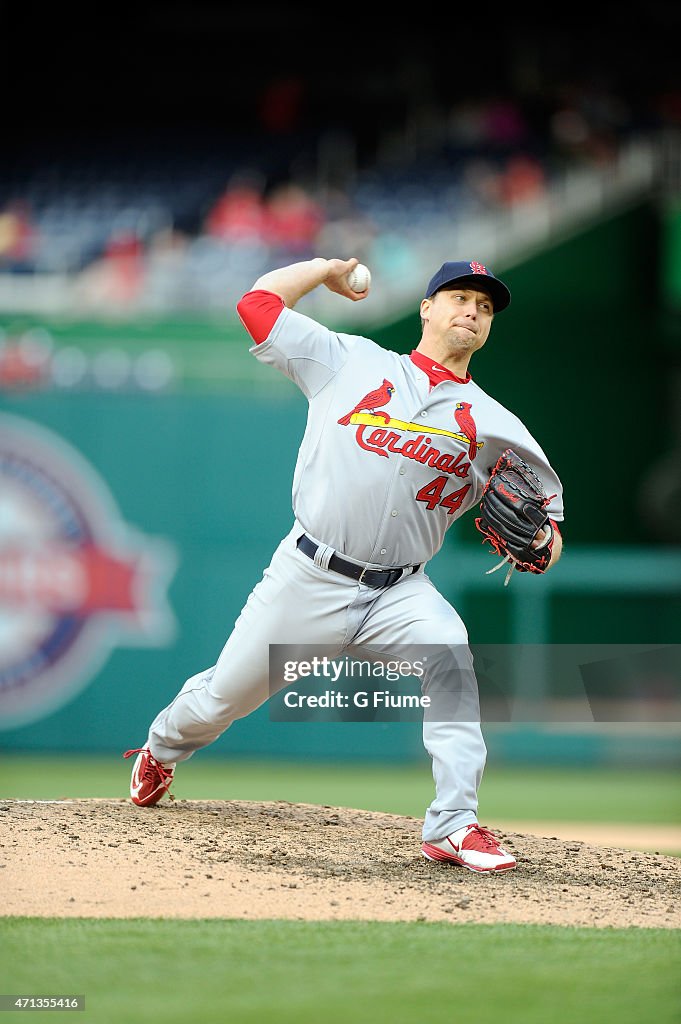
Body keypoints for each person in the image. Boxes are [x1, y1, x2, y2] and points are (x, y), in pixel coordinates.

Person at [124, 256, 564, 874]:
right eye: (460, 297)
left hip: (402, 593)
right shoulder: (350, 360)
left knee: (452, 665)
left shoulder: (498, 426)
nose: (471, 311)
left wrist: (540, 541)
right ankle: (161, 749)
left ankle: (454, 825)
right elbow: (257, 305)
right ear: (427, 308)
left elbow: (548, 530)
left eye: (485, 306)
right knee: (224, 696)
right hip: (310, 575)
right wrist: (325, 269)